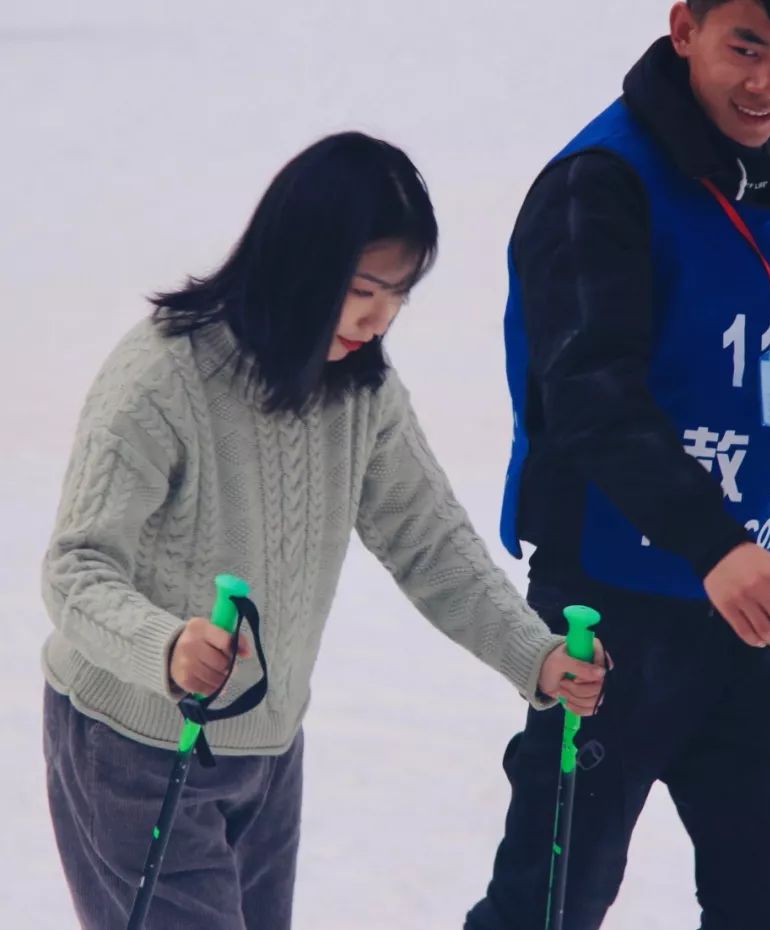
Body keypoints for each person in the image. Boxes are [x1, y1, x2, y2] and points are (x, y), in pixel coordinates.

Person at [39, 131, 607, 930]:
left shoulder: (359, 393)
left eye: (400, 295)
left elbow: (429, 540)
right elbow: (76, 569)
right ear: (298, 258)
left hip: (266, 751)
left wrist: (533, 652)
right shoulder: (161, 377)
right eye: (363, 288)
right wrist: (167, 646)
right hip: (132, 749)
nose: (379, 319)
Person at [465, 2, 770, 929]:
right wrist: (712, 542)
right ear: (685, 27)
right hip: (609, 599)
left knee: (769, 895)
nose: (769, 83)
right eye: (746, 48)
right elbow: (587, 396)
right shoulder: (601, 181)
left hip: (734, 600)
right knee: (552, 899)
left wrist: (728, 553)